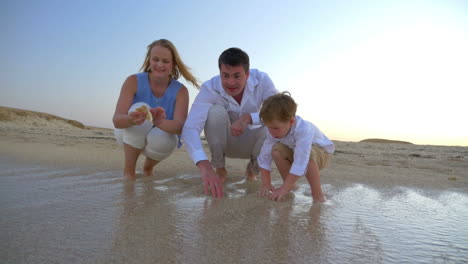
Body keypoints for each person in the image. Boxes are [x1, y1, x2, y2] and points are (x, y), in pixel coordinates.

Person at [182, 47, 279, 198]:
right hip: (225, 141)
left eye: (237, 76)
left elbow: (278, 112)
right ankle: (220, 169)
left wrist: (247, 118)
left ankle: (253, 170)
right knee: (215, 112)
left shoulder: (262, 79)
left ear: (247, 74)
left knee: (271, 127)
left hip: (253, 142)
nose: (230, 82)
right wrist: (204, 164)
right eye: (225, 76)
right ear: (220, 73)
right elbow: (190, 127)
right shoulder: (210, 88)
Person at [113, 39, 199, 180]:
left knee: (163, 138)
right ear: (149, 60)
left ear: (173, 65)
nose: (160, 65)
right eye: (156, 59)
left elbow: (180, 127)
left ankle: (148, 167)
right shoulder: (133, 81)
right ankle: (129, 172)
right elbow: (117, 121)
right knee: (140, 108)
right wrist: (131, 119)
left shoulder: (181, 91)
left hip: (159, 139)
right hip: (128, 133)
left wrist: (159, 121)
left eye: (165, 61)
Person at [257, 92, 335, 202]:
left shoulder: (304, 129)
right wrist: (266, 184)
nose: (270, 131)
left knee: (309, 155)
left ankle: (318, 195)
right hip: (296, 152)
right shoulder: (273, 131)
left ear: (291, 121)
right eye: (268, 127)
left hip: (321, 154)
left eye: (275, 128)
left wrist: (283, 189)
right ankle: (290, 185)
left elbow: (301, 161)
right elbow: (264, 157)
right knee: (276, 150)